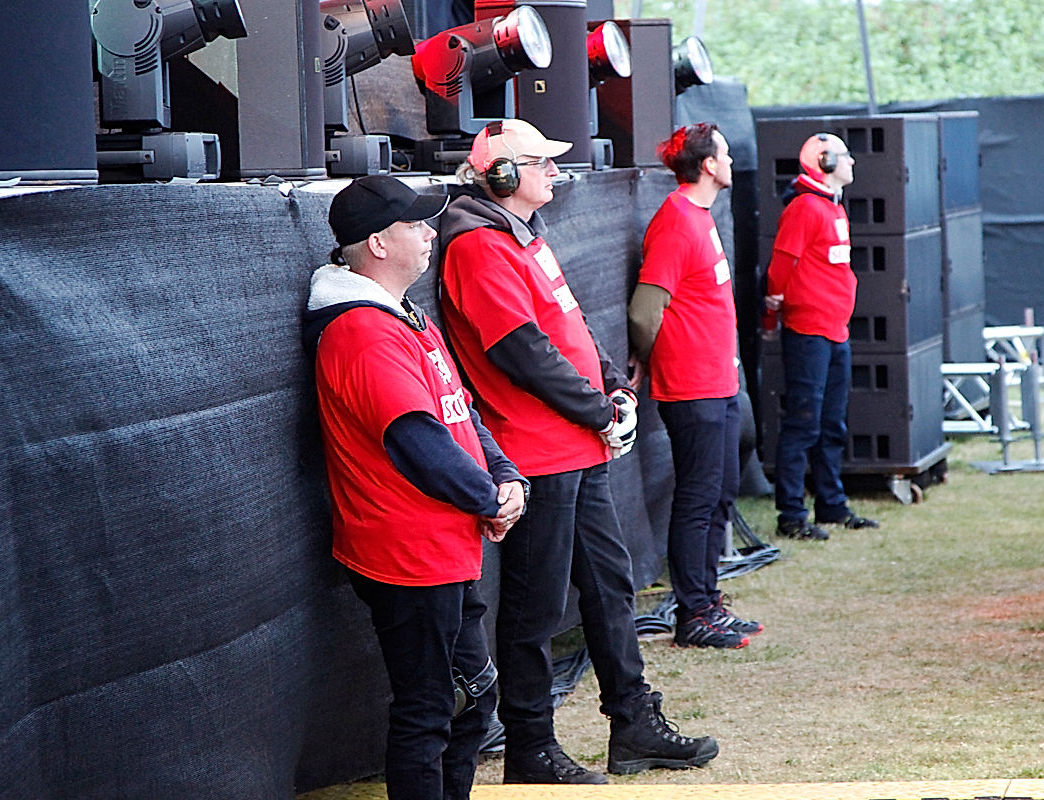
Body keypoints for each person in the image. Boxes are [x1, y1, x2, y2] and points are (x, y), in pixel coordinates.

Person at [437, 118, 718, 784]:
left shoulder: (519, 234)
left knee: (611, 587)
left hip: (575, 446)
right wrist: (598, 408)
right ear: (502, 175)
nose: (555, 173)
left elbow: (568, 323)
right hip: (538, 452)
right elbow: (519, 351)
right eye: (541, 163)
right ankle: (531, 747)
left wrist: (613, 386)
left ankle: (633, 722)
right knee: (535, 609)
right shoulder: (479, 245)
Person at [301, 175, 529, 800]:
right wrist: (491, 499)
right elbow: (417, 443)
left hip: (442, 546)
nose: (432, 233)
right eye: (416, 224)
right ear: (377, 242)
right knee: (430, 711)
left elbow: (460, 412)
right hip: (408, 555)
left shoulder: (404, 315)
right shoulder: (360, 331)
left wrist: (505, 479)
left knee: (472, 700)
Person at [627, 123, 762, 650]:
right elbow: (645, 309)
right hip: (693, 387)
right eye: (725, 154)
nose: (730, 162)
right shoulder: (678, 222)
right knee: (700, 498)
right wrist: (644, 355)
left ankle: (707, 601)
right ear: (709, 165)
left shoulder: (698, 217)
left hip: (718, 382)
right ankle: (694, 613)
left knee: (721, 491)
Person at [762, 133, 881, 541]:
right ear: (825, 162)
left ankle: (831, 504)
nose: (852, 163)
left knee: (831, 423)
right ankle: (791, 514)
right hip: (809, 332)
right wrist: (772, 315)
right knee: (803, 424)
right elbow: (779, 268)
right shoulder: (806, 209)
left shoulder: (831, 208)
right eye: (845, 157)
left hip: (833, 331)